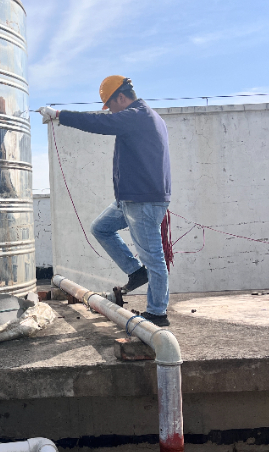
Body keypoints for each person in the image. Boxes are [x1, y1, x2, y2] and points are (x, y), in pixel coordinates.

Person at [39, 76, 171, 327]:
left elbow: (99, 123)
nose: (110, 111)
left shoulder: (137, 115)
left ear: (121, 97)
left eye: (110, 105)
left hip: (142, 201)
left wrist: (59, 114)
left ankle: (157, 313)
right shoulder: (144, 117)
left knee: (154, 258)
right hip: (130, 200)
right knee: (101, 228)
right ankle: (135, 271)